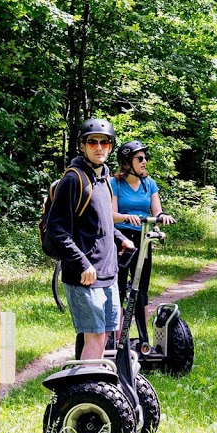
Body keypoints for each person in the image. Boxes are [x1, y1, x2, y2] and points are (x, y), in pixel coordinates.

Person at [46, 119, 135, 361]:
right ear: (82, 146)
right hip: (85, 275)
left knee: (107, 334)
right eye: (92, 142)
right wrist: (81, 263)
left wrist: (120, 239)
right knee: (94, 338)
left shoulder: (104, 178)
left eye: (104, 142)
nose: (99, 147)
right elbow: (57, 229)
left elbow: (101, 222)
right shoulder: (73, 180)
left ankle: (95, 389)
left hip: (108, 273)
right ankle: (84, 394)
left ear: (111, 146)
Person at [111, 140, 176, 342]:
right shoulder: (114, 184)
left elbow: (156, 211)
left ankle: (143, 338)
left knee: (141, 289)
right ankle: (118, 337)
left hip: (143, 238)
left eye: (145, 158)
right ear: (127, 162)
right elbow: (111, 215)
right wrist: (125, 217)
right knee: (120, 288)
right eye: (140, 158)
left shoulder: (149, 184)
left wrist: (162, 216)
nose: (144, 161)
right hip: (120, 239)